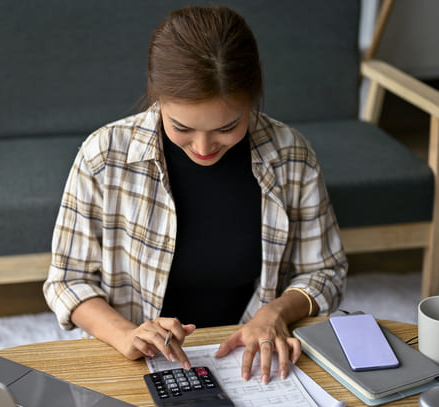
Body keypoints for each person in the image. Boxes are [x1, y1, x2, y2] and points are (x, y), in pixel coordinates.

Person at [43, 5, 347, 384]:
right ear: (158, 96)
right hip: (138, 362)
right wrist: (126, 334)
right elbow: (67, 280)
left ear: (253, 100)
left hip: (251, 360)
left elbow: (325, 271)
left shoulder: (291, 155)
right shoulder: (104, 156)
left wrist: (275, 313)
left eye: (228, 126)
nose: (203, 147)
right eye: (182, 127)